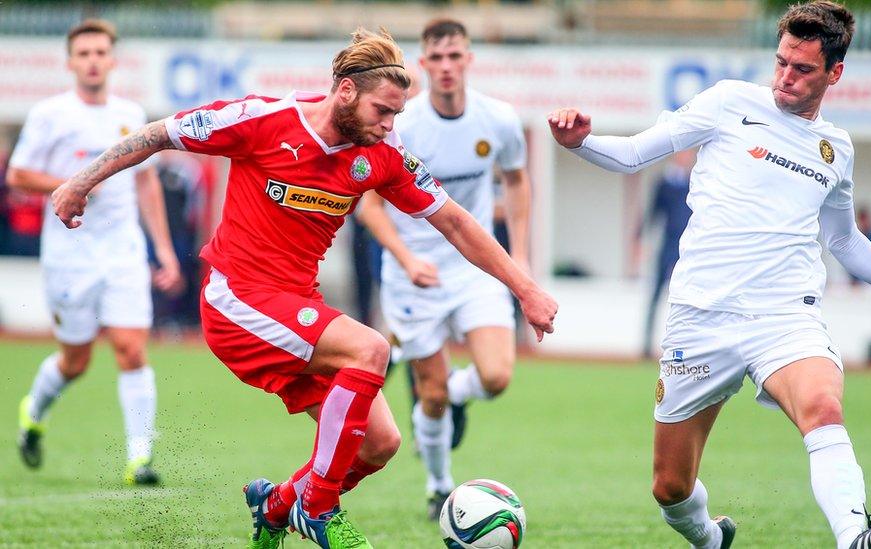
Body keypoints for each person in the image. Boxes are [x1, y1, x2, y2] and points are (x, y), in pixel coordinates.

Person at [51, 27, 557, 549]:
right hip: (236, 301)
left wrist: (526, 289)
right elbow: (156, 134)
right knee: (371, 349)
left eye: (396, 115)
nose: (389, 126)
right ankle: (316, 507)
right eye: (382, 111)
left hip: (294, 309)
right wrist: (77, 183)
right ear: (345, 92)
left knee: (378, 443)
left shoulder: (382, 152)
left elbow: (456, 222)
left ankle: (274, 507)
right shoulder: (262, 120)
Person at [548, 2, 871, 548]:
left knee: (823, 407)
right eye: (781, 62)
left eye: (802, 69)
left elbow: (842, 239)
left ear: (834, 72)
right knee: (670, 487)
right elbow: (633, 155)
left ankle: (854, 539)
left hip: (784, 312)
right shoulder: (729, 102)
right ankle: (709, 538)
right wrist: (580, 142)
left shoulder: (835, 149)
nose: (785, 78)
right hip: (701, 315)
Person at [356, 18, 533, 521]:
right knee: (428, 398)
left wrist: (518, 253)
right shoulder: (401, 126)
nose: (448, 67)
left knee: (496, 377)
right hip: (414, 275)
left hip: (474, 266)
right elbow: (368, 206)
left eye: (456, 56)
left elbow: (517, 182)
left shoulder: (497, 118)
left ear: (469, 59)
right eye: (437, 58)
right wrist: (406, 258)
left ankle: (454, 390)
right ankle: (439, 487)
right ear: (423, 64)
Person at [9, 19, 181, 485]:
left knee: (131, 349)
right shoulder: (50, 114)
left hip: (123, 252)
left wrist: (163, 251)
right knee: (75, 361)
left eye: (100, 52)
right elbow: (18, 176)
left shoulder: (130, 112)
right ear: (70, 63)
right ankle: (34, 411)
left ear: (112, 60)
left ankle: (139, 460)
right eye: (83, 53)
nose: (92, 61)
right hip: (69, 255)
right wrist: (73, 185)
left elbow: (146, 184)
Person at [630, 149, 694, 358]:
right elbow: (651, 213)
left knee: (689, 297)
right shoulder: (665, 183)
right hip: (668, 244)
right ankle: (646, 345)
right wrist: (640, 241)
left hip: (691, 247)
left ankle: (687, 347)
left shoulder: (696, 182)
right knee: (656, 294)